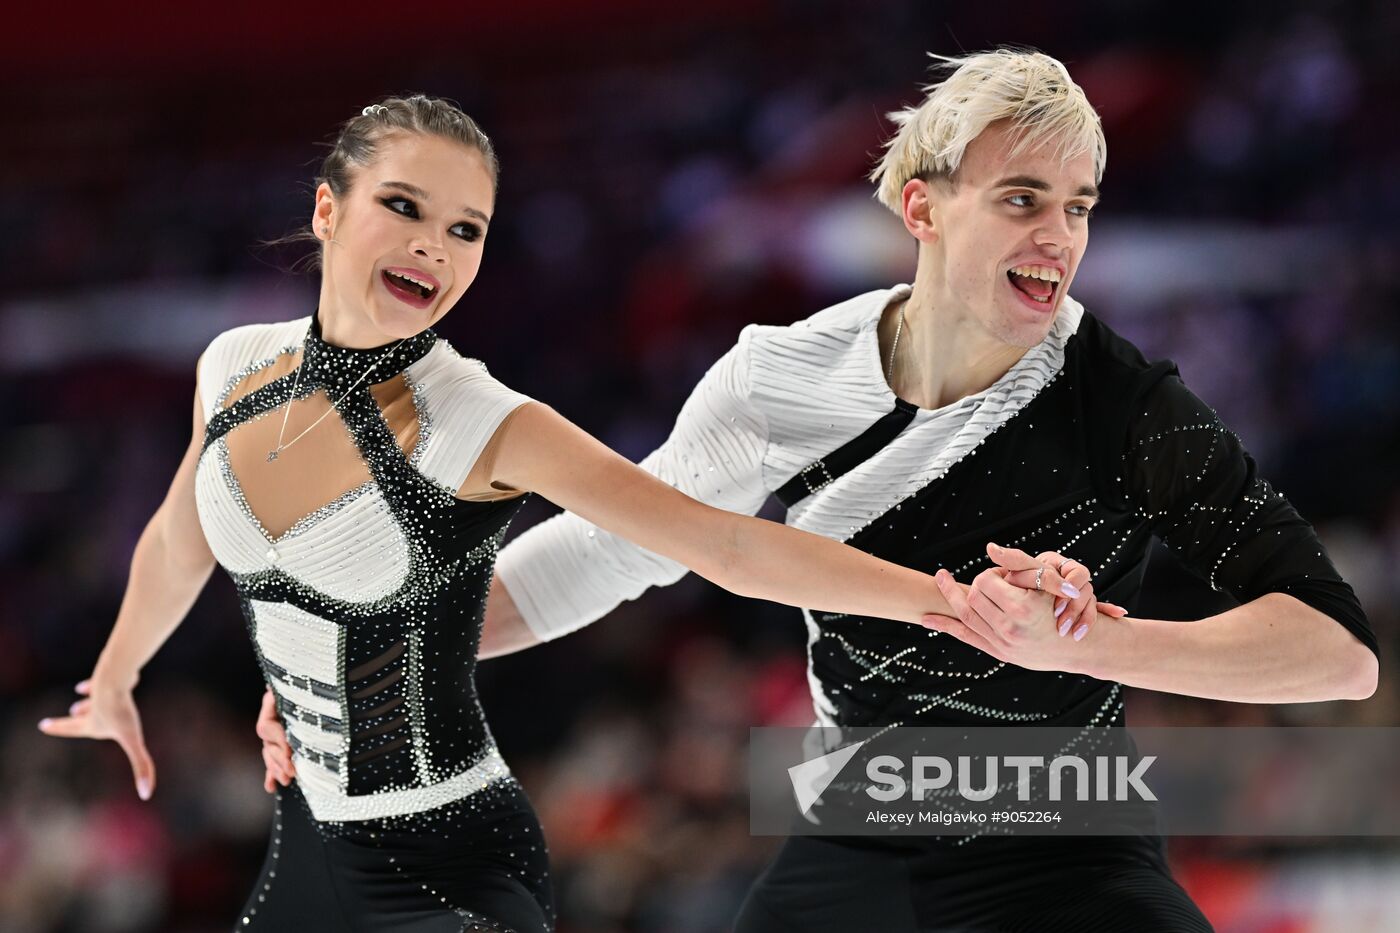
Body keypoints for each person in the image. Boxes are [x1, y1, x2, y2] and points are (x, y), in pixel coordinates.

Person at [258, 51, 1379, 931]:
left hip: (1062, 829)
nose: (1057, 237)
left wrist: (1085, 648)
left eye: (1078, 205)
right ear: (923, 208)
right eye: (1021, 198)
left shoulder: (1124, 406)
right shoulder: (779, 379)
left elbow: (1334, 654)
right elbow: (611, 551)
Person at [36, 95, 1109, 933]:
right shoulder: (233, 365)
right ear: (328, 209)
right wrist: (120, 678)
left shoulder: (478, 418)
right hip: (305, 849)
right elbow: (181, 533)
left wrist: (939, 600)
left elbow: (719, 542)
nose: (433, 249)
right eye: (403, 208)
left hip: (448, 857)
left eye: (465, 229)